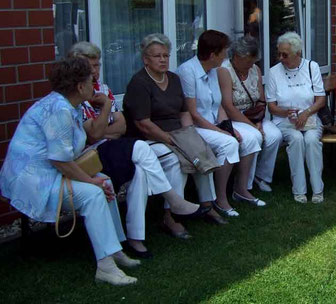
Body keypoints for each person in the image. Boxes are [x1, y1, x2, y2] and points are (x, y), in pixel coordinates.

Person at [0, 57, 139, 285]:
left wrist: (105, 107)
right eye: (90, 80)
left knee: (105, 181)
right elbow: (60, 161)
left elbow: (89, 136)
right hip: (34, 181)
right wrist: (89, 181)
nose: (94, 84)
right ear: (79, 86)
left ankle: (114, 249)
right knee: (94, 193)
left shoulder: (68, 105)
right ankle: (105, 267)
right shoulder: (59, 110)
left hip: (50, 173)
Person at [69, 42, 203, 258]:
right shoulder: (77, 97)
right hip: (91, 157)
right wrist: (105, 114)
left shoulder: (103, 89)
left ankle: (135, 237)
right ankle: (174, 202)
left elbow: (120, 126)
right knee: (144, 149)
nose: (95, 71)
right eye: (90, 66)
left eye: (98, 65)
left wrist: (103, 128)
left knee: (147, 169)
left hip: (112, 147)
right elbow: (92, 135)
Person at [123, 34, 221, 237]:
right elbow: (143, 124)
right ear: (145, 59)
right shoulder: (139, 83)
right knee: (177, 161)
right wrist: (172, 140)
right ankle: (169, 216)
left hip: (176, 132)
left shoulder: (174, 79)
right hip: (148, 140)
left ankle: (207, 204)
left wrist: (189, 135)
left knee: (200, 151)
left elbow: (184, 112)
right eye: (157, 56)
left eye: (166, 55)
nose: (163, 60)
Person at [177, 30, 264, 217]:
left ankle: (241, 189)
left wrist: (229, 128)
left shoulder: (214, 71)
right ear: (212, 54)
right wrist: (223, 133)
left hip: (213, 124)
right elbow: (193, 114)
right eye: (223, 51)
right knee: (229, 143)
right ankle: (220, 199)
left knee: (250, 138)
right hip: (195, 127)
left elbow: (220, 107)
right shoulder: (187, 71)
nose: (226, 55)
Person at [266, 32, 326, 204]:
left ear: (297, 53)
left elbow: (321, 99)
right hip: (285, 120)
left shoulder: (311, 67)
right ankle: (299, 190)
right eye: (279, 53)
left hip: (310, 117)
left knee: (312, 140)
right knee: (296, 139)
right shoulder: (274, 72)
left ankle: (317, 189)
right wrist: (286, 112)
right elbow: (272, 106)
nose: (280, 58)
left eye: (284, 54)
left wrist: (305, 113)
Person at [218, 35, 282, 192]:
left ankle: (262, 177)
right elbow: (228, 106)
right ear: (237, 57)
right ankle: (245, 184)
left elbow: (261, 100)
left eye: (253, 61)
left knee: (275, 136)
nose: (251, 65)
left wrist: (259, 121)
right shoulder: (224, 71)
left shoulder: (255, 69)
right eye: (248, 61)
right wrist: (253, 126)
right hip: (235, 117)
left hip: (255, 115)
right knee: (255, 137)